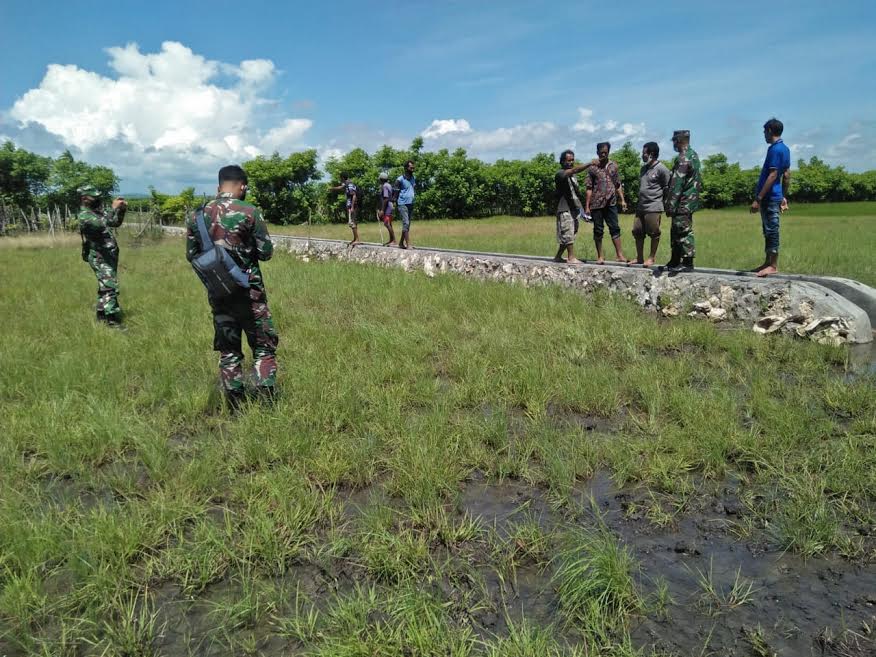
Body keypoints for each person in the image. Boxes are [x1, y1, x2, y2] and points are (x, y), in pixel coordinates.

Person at [185, 165, 279, 409]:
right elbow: (265, 253)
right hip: (250, 292)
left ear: (219, 187)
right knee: (263, 345)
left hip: (219, 293)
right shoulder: (249, 211)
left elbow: (191, 255)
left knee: (228, 349)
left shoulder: (197, 216)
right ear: (243, 187)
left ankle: (235, 406)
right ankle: (267, 404)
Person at [78, 184, 127, 326]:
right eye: (95, 197)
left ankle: (101, 316)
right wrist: (113, 208)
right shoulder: (85, 216)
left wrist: (121, 210)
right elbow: (102, 224)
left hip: (107, 255)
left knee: (105, 286)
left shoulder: (96, 212)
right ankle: (112, 320)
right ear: (85, 199)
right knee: (110, 286)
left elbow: (114, 222)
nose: (97, 199)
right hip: (99, 256)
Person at [750, 118, 791, 277]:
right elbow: (786, 175)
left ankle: (773, 265)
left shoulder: (774, 150)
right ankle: (767, 262)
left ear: (769, 131)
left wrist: (758, 199)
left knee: (772, 230)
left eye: (764, 131)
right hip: (776, 195)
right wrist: (784, 196)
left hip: (769, 197)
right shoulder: (785, 149)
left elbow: (773, 175)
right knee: (768, 230)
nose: (763, 135)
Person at [664, 130, 703, 271]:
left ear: (679, 140)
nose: (673, 144)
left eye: (674, 141)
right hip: (690, 200)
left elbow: (677, 184)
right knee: (676, 230)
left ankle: (687, 262)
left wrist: (670, 205)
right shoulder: (694, 155)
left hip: (683, 200)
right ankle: (675, 260)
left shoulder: (683, 158)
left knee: (682, 230)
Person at [585, 142, 629, 264]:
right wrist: (587, 207)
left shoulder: (614, 166)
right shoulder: (592, 168)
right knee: (598, 230)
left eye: (606, 152)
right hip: (596, 203)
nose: (603, 154)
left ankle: (619, 255)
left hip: (611, 202)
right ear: (597, 152)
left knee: (615, 228)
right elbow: (589, 188)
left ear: (608, 152)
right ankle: (600, 256)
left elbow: (618, 184)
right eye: (601, 152)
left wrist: (623, 200)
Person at [633, 142, 671, 266]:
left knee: (654, 232)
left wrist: (664, 204)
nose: (642, 155)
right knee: (637, 231)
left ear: (652, 154)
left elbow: (667, 188)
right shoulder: (643, 169)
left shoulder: (662, 169)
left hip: (654, 206)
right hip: (641, 206)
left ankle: (651, 257)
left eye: (644, 153)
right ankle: (639, 258)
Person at [553, 149, 591, 263]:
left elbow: (575, 193)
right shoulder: (560, 174)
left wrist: (582, 209)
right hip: (564, 208)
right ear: (562, 162)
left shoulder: (573, 176)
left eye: (572, 160)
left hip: (574, 208)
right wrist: (589, 163)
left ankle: (558, 256)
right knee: (567, 233)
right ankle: (571, 257)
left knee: (571, 233)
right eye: (568, 160)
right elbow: (575, 169)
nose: (571, 162)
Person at [329, 173, 361, 246]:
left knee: (352, 222)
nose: (340, 179)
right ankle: (355, 238)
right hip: (350, 206)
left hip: (352, 206)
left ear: (343, 178)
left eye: (340, 178)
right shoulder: (347, 184)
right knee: (353, 222)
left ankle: (357, 239)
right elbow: (340, 187)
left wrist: (352, 207)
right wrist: (332, 188)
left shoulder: (349, 184)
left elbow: (354, 195)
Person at [395, 160, 416, 249]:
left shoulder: (413, 178)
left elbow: (413, 188)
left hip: (410, 203)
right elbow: (395, 193)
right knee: (406, 223)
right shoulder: (400, 179)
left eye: (413, 168)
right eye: (411, 167)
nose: (413, 169)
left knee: (407, 225)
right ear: (406, 168)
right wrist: (394, 204)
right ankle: (408, 244)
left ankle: (400, 243)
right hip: (402, 203)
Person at [378, 172, 397, 246]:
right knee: (389, 224)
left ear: (381, 179)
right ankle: (391, 240)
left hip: (387, 207)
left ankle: (394, 240)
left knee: (386, 223)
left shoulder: (385, 186)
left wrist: (382, 210)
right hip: (390, 205)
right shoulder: (389, 185)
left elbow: (385, 198)